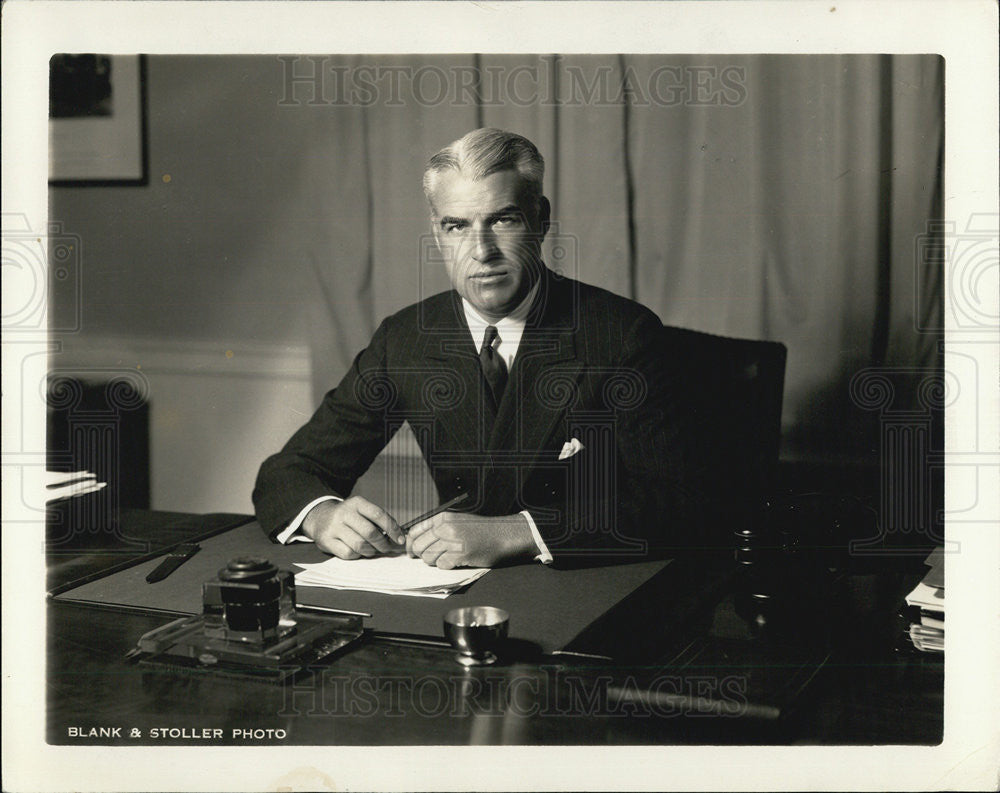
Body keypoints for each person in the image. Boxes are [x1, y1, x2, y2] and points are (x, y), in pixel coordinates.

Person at [253, 128, 690, 568]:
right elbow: (288, 472)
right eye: (457, 226)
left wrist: (517, 532)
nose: (481, 251)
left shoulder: (623, 334)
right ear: (437, 233)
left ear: (540, 220)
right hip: (458, 600)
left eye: (503, 220)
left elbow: (680, 503)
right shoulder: (405, 338)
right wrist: (323, 516)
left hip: (586, 591)